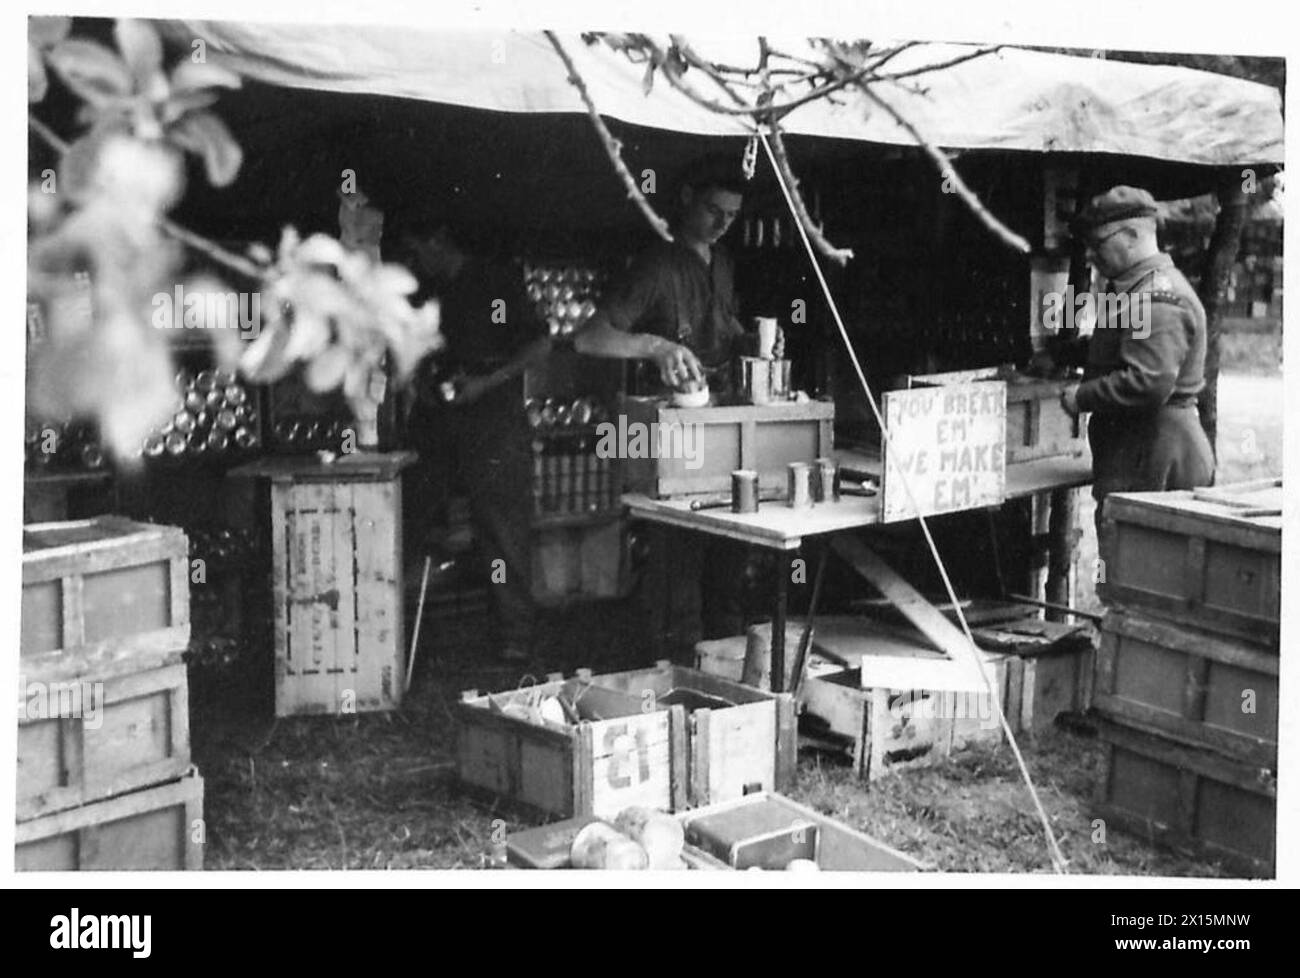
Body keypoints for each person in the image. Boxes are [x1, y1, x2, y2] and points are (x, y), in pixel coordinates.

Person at [575, 160, 772, 652]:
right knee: (677, 557)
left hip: (719, 427)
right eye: (713, 210)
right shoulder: (657, 265)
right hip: (666, 434)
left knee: (729, 549)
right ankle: (673, 663)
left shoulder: (722, 263)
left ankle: (724, 661)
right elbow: (589, 337)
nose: (722, 224)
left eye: (732, 215)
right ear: (685, 198)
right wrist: (655, 347)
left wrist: (753, 340)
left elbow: (721, 327)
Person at [398, 222, 551, 664]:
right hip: (437, 420)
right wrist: (419, 384)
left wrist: (487, 381)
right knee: (406, 515)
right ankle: (385, 629)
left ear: (438, 240)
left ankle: (515, 635)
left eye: (417, 250)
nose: (413, 262)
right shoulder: (426, 289)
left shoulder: (495, 284)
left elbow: (539, 344)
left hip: (493, 420)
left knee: (502, 531)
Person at [1038, 185, 1214, 550]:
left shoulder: (1156, 298)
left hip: (1155, 453)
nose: (1091, 254)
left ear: (1133, 235)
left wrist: (1081, 397)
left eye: (1098, 243)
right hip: (1140, 450)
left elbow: (1147, 381)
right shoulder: (1138, 289)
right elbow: (1124, 346)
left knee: (1143, 568)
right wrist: (1063, 354)